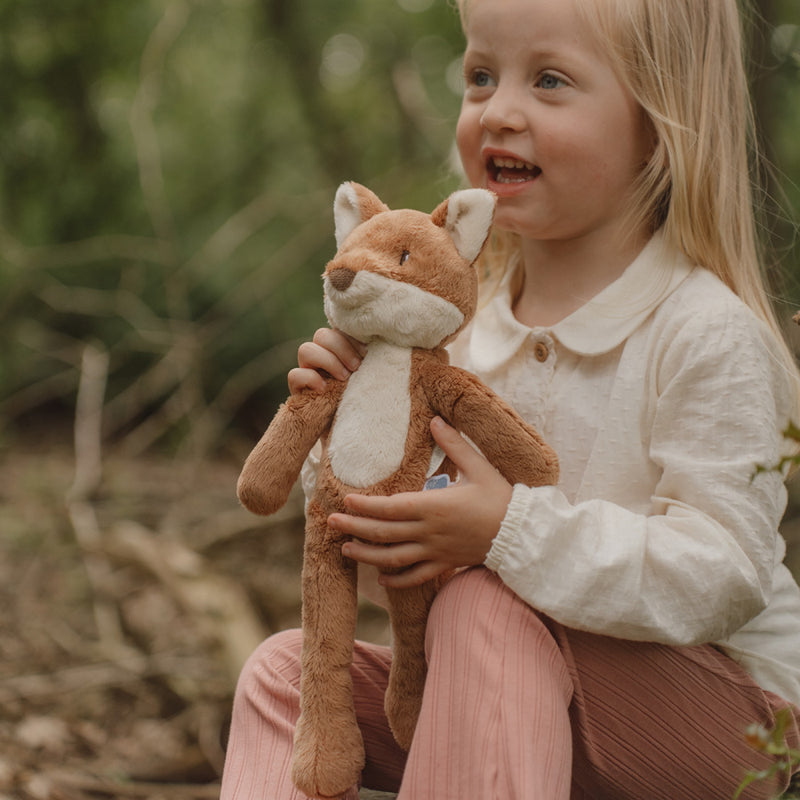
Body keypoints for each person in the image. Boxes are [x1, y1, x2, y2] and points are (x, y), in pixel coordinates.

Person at [220, 0, 800, 797]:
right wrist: (347, 420)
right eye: (481, 75)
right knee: (282, 675)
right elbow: (394, 507)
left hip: (737, 727)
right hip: (515, 693)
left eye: (550, 80)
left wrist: (508, 533)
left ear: (660, 120)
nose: (498, 110)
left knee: (484, 601)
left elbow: (724, 574)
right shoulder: (454, 338)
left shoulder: (706, 333)